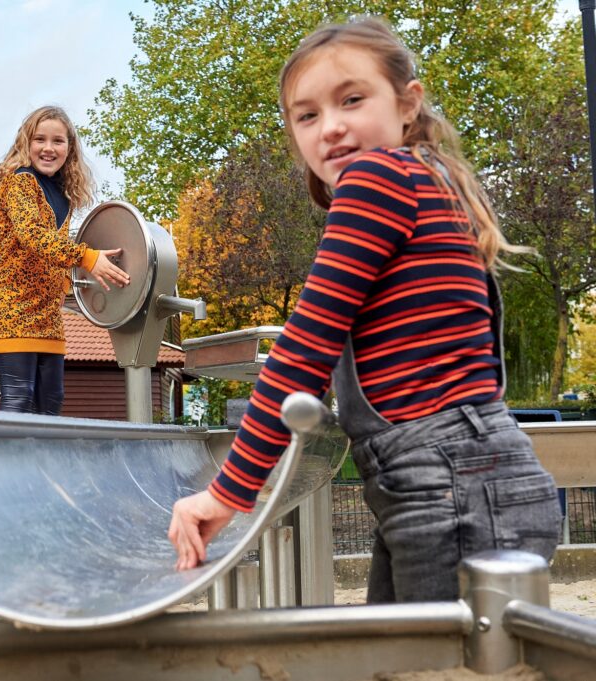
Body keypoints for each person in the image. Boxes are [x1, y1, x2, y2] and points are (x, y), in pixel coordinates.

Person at [168, 17, 562, 603]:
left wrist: (229, 492)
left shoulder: (378, 178)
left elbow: (306, 345)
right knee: (390, 654)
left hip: (449, 478)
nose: (330, 127)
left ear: (408, 105)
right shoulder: (425, 181)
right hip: (453, 476)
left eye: (352, 99)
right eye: (307, 115)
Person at [0, 106, 129, 414]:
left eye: (58, 141)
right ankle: (10, 462)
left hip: (46, 312)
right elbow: (34, 236)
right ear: (26, 144)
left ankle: (40, 463)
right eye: (40, 140)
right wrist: (86, 257)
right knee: (20, 397)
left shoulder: (62, 192)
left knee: (51, 400)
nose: (48, 148)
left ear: (69, 148)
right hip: (11, 306)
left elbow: (52, 251)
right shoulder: (19, 183)